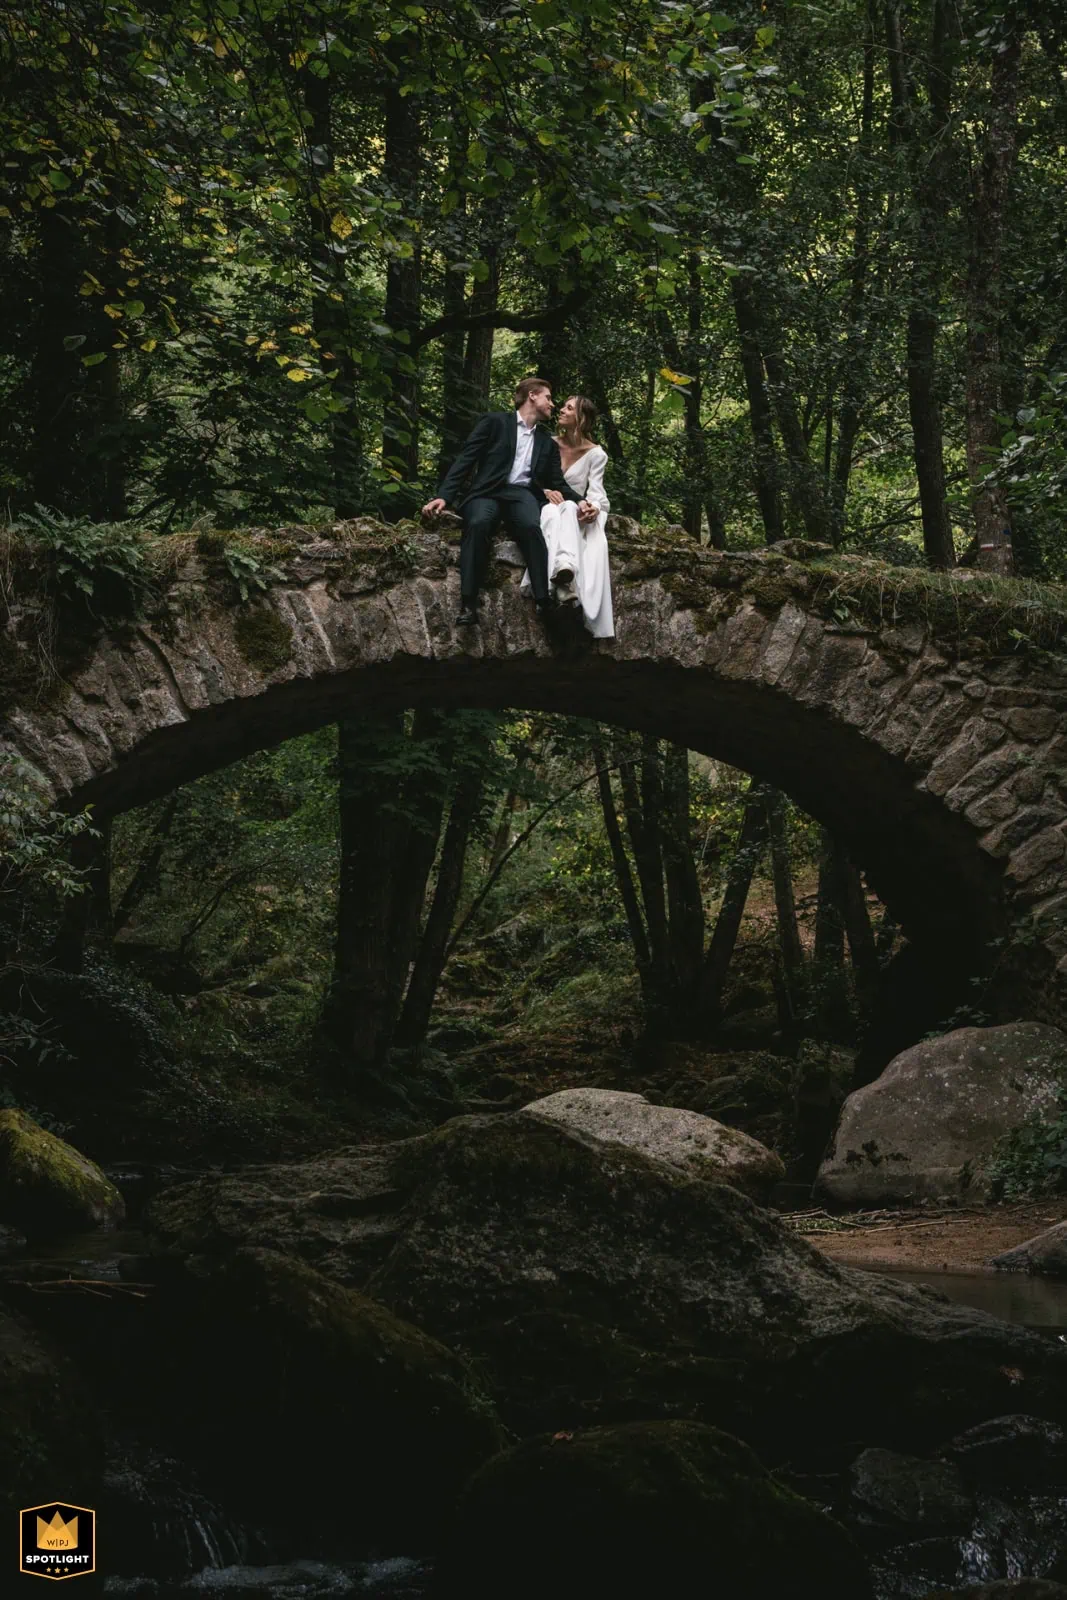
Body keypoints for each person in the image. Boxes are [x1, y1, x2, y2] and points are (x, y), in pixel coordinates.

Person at [421, 377, 597, 626]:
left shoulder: (546, 443)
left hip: (521, 494)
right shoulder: (494, 422)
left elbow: (558, 483)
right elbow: (466, 459)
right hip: (486, 492)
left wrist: (580, 502)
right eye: (548, 397)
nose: (552, 404)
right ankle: (468, 604)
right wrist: (444, 496)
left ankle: (543, 601)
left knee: (530, 527)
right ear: (532, 395)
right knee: (479, 522)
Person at [523, 394, 614, 638]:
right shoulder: (546, 443)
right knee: (553, 510)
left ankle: (565, 571)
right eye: (562, 405)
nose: (561, 410)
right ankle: (563, 577)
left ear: (581, 418)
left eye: (568, 408)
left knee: (568, 509)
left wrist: (592, 507)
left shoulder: (596, 454)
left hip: (571, 510)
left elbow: (596, 493)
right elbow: (526, 476)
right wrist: (544, 491)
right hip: (542, 504)